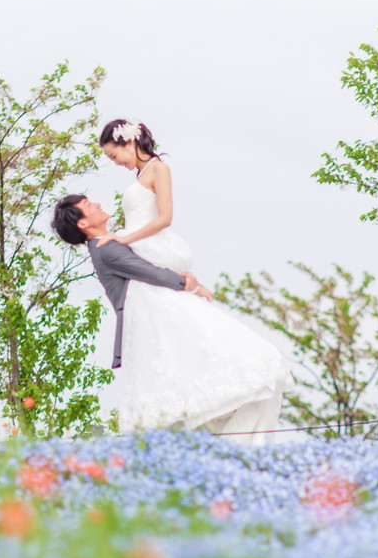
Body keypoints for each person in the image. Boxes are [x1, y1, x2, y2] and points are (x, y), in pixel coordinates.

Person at [51, 119, 291, 442]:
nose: (96, 203)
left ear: (130, 142)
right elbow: (146, 270)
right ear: (81, 223)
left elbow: (154, 243)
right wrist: (184, 283)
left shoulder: (121, 228)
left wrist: (187, 281)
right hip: (152, 311)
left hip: (160, 300)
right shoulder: (106, 248)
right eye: (87, 206)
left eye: (114, 156)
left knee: (214, 374)